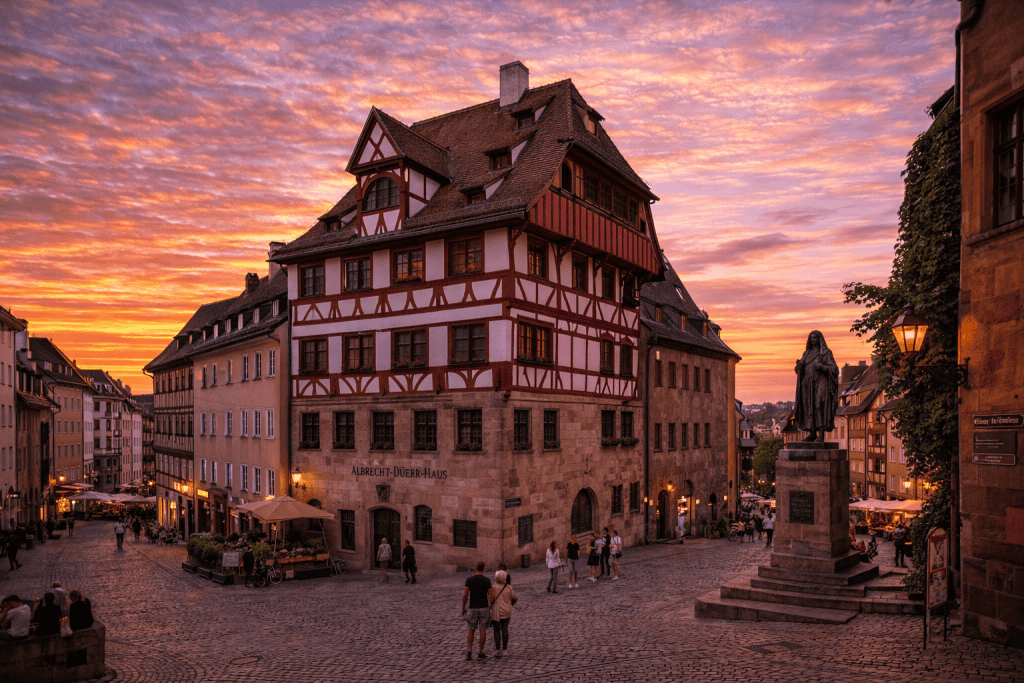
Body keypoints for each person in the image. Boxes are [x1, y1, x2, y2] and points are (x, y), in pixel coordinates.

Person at [794, 330, 839, 442]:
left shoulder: (825, 353)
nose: (813, 340)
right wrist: (799, 366)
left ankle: (821, 433)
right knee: (809, 407)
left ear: (820, 339)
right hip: (807, 385)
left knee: (819, 405)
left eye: (815, 337)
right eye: (811, 338)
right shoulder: (806, 354)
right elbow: (799, 370)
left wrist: (822, 367)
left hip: (821, 382)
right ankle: (812, 433)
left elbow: (834, 369)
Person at [461, 561, 495, 661]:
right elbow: (491, 596)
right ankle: (480, 652)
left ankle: (469, 651)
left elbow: (465, 595)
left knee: (471, 629)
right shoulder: (487, 580)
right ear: (484, 569)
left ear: (476, 568)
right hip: (484, 607)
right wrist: (491, 607)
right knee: (482, 629)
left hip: (473, 607)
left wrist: (463, 607)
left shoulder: (469, 580)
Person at [490, 569, 516, 658]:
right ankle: (505, 649)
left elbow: (491, 599)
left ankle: (498, 649)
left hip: (496, 611)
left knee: (496, 630)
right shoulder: (509, 587)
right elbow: (513, 597)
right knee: (505, 629)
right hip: (506, 610)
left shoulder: (493, 587)